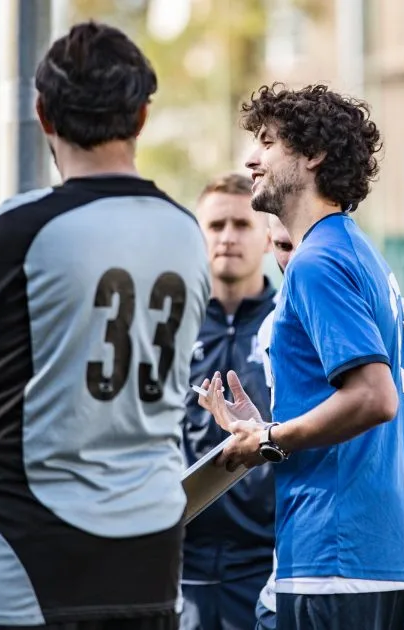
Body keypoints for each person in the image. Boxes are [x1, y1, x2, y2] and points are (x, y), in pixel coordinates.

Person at [0, 21, 210, 630]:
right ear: (142, 117)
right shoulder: (188, 233)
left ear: (43, 115)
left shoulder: (23, 228)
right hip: (149, 552)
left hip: (20, 561)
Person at [199, 83, 404, 630]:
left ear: (312, 155)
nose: (251, 158)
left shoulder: (316, 262)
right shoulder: (362, 255)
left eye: (267, 142)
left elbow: (373, 398)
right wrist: (267, 431)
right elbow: (362, 412)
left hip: (331, 562)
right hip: (382, 561)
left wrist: (267, 439)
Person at [253, 216, 404, 630]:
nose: (296, 260)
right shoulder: (394, 312)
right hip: (362, 571)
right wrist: (258, 431)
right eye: (284, 247)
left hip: (329, 571)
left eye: (302, 245)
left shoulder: (387, 314)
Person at [180, 173, 276, 630]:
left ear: (266, 235)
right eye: (216, 226)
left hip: (267, 557)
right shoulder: (172, 326)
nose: (228, 237)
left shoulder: (290, 321)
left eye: (242, 224)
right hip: (181, 558)